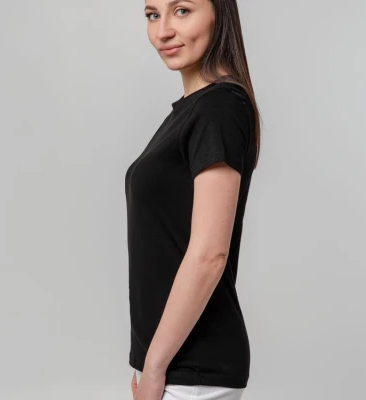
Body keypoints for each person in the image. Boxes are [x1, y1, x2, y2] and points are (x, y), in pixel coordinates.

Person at [125, 0, 262, 398]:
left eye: (182, 10)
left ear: (220, 13)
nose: (163, 30)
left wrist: (155, 368)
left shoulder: (219, 108)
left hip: (191, 370)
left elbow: (209, 255)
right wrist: (151, 364)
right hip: (173, 366)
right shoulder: (191, 112)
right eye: (153, 14)